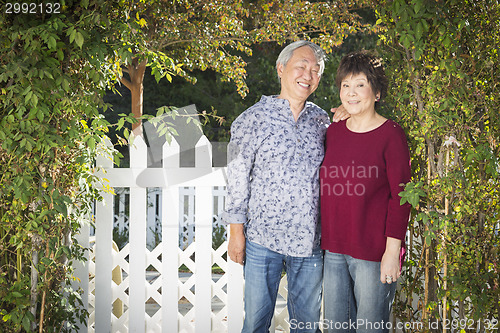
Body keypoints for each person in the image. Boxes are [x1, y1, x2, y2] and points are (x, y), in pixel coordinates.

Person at [222, 40, 347, 333]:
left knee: (307, 325)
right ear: (281, 68)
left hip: (309, 242)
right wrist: (236, 233)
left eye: (316, 70)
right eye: (301, 66)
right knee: (255, 323)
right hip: (262, 239)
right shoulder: (251, 119)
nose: (309, 74)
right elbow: (236, 181)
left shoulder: (321, 120)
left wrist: (351, 110)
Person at [320, 51, 411, 333]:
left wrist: (392, 252)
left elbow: (402, 197)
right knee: (336, 329)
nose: (351, 92)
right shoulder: (333, 132)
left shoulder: (391, 135)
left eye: (360, 84)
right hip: (334, 250)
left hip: (373, 253)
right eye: (345, 85)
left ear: (377, 91)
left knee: (370, 329)